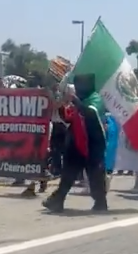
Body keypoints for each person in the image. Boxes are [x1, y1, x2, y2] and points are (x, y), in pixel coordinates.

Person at [43, 74, 107, 213]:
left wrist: (76, 101)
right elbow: (68, 117)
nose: (79, 88)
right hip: (76, 142)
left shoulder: (96, 98)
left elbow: (90, 114)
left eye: (81, 85)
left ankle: (101, 202)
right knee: (68, 173)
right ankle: (58, 200)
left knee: (95, 175)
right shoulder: (79, 100)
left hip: (93, 143)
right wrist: (61, 104)